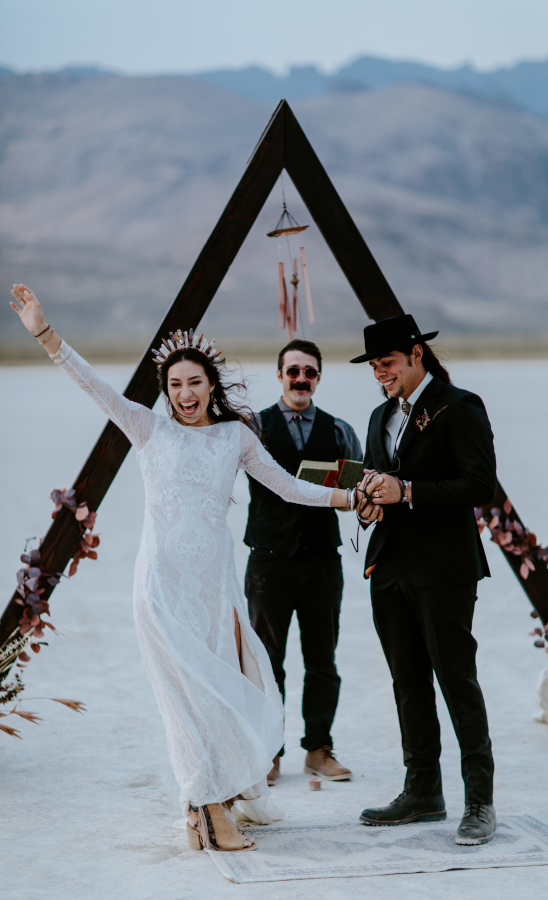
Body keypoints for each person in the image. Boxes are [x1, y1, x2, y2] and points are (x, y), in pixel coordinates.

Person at [9, 285, 356, 853]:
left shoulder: (234, 438)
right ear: (165, 392)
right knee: (185, 700)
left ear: (212, 386)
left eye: (194, 382)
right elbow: (94, 387)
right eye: (174, 385)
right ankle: (211, 811)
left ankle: (209, 804)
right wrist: (46, 335)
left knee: (222, 697)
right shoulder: (150, 429)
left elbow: (291, 488)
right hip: (162, 590)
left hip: (216, 593)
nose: (184, 393)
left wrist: (348, 499)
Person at [351, 314, 498, 846]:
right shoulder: (377, 416)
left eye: (386, 364)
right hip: (388, 568)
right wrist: (369, 502)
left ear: (416, 354)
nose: (379, 375)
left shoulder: (460, 407)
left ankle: (479, 802)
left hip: (445, 570)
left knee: (457, 681)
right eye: (372, 367)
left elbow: (480, 485)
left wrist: (408, 491)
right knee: (407, 684)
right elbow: (379, 479)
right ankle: (423, 792)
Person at [244, 339, 362, 784]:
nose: (300, 379)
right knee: (266, 662)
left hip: (321, 564)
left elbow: (354, 490)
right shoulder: (252, 426)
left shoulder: (338, 431)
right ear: (279, 376)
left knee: (322, 660)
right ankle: (268, 751)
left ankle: (318, 749)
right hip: (268, 563)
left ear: (318, 378)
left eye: (309, 372)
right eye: (292, 371)